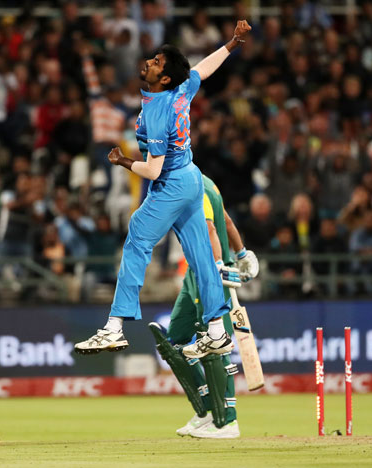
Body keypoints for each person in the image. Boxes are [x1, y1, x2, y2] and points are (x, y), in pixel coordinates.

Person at [74, 21, 256, 359]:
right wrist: (231, 44)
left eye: (157, 63)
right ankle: (217, 332)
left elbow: (153, 169)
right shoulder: (180, 91)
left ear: (165, 78)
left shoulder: (158, 111)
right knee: (201, 256)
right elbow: (203, 69)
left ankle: (114, 328)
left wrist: (124, 162)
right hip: (190, 176)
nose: (150, 62)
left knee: (138, 238)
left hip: (171, 182)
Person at [150, 174, 257, 439]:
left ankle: (227, 421)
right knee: (174, 339)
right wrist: (243, 254)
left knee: (214, 340)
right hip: (193, 272)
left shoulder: (189, 183)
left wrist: (218, 265)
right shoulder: (205, 182)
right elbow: (227, 221)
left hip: (209, 271)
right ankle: (207, 413)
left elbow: (210, 227)